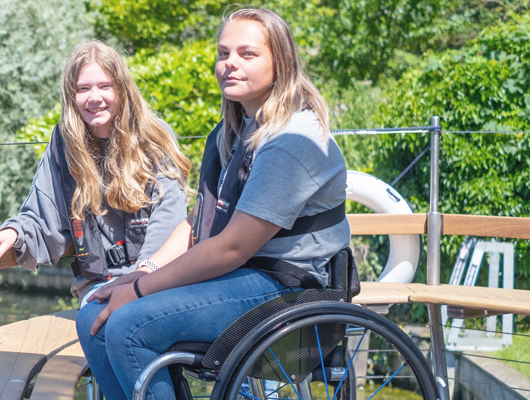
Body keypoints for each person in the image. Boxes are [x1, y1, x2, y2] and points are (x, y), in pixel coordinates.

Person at [75, 8, 351, 399]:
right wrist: (142, 271)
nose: (230, 64)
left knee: (127, 324)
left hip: (290, 290)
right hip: (245, 276)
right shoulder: (237, 131)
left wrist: (139, 292)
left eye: (247, 54)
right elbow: (197, 222)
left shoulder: (292, 140)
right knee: (93, 316)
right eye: (223, 53)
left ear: (281, 62)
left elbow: (232, 248)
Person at [0, 40, 192, 306]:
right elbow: (44, 214)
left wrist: (140, 279)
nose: (94, 97)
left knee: (130, 321)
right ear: (71, 96)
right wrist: (17, 233)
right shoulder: (64, 144)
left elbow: (170, 217)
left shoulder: (154, 136)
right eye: (83, 89)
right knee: (99, 322)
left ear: (121, 89)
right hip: (97, 286)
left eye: (105, 86)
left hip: (155, 278)